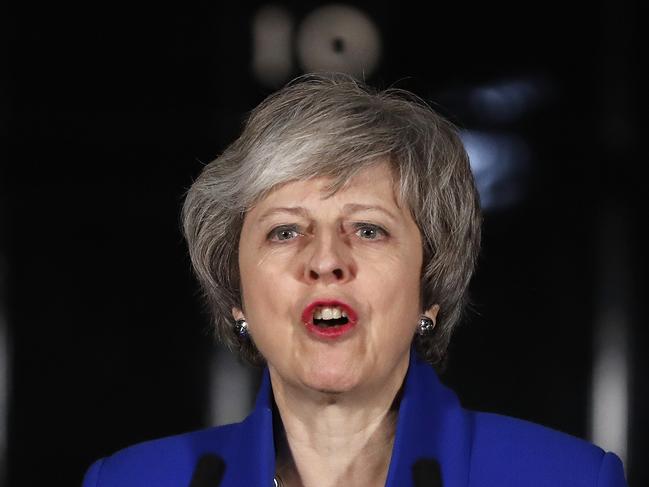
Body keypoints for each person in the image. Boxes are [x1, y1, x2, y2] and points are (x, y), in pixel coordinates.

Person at [82, 73, 627, 487]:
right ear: (235, 294)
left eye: (368, 229)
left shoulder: (566, 476)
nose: (325, 260)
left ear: (430, 285)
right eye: (285, 231)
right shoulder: (131, 479)